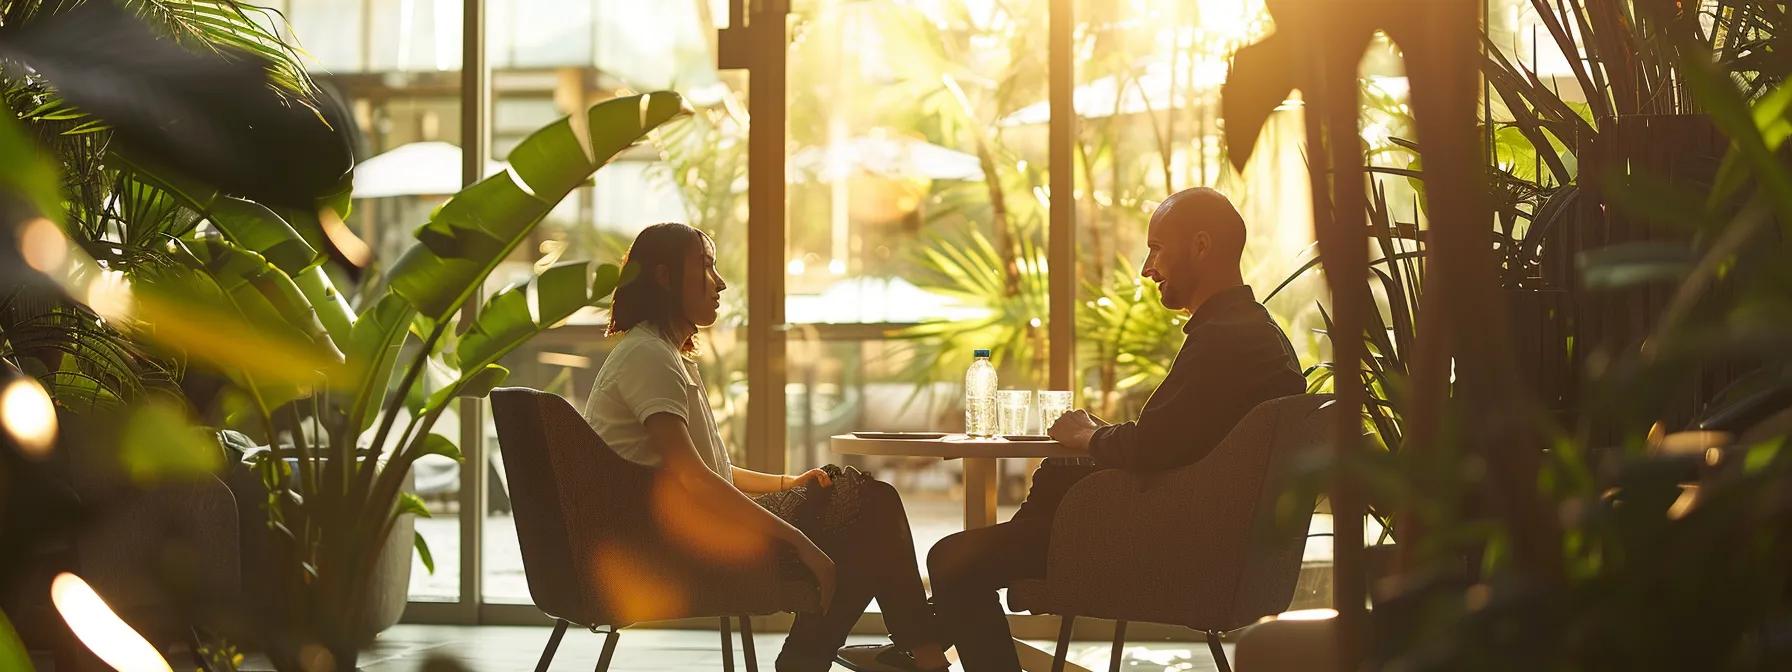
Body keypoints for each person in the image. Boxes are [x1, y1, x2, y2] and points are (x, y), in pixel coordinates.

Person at [927, 188, 1307, 671]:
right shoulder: (1261, 334)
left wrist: (1089, 435)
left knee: (950, 560)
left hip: (1164, 550)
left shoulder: (1223, 341)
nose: (1147, 268)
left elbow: (1152, 447)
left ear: (1202, 246)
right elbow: (1186, 444)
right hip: (1213, 546)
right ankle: (926, 639)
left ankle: (923, 642)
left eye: (1156, 248)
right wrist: (1096, 439)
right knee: (1054, 477)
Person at [583, 223, 950, 672]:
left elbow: (707, 469)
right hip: (670, 548)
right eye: (705, 266)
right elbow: (693, 479)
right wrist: (799, 541)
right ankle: (906, 655)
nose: (719, 283)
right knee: (870, 507)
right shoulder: (648, 357)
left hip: (683, 530)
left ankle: (896, 657)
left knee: (867, 513)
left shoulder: (663, 353)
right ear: (664, 276)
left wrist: (786, 483)